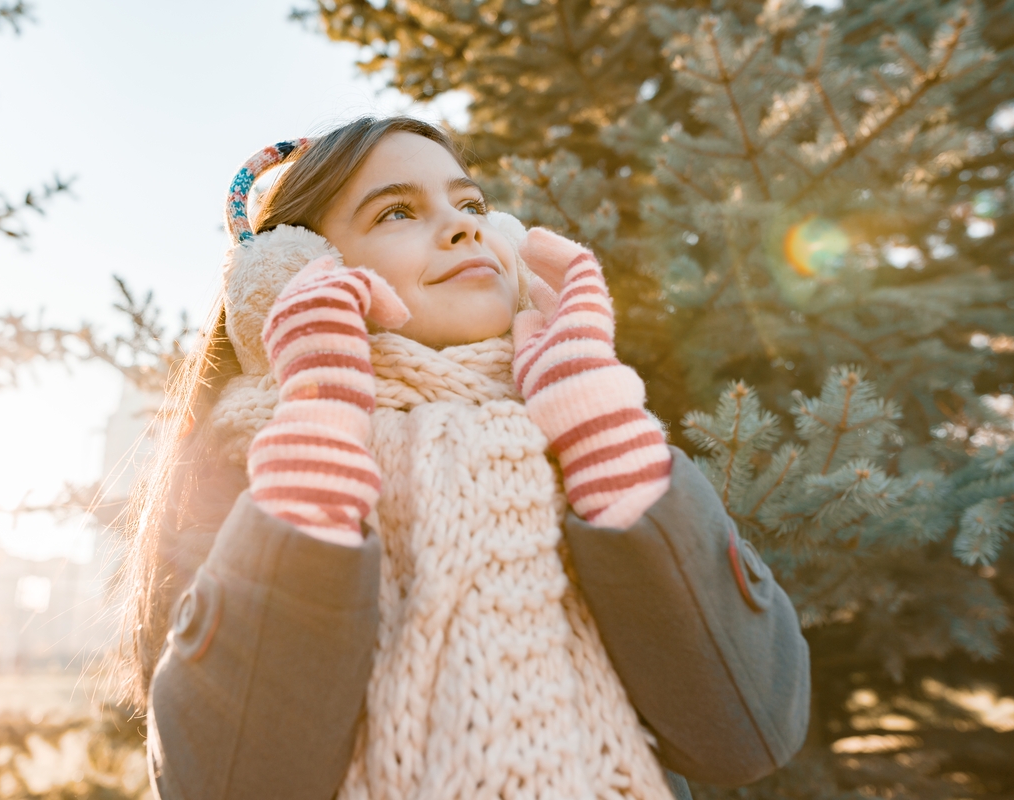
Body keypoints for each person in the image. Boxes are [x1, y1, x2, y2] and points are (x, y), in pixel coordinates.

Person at [119, 116, 810, 800]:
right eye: (397, 212)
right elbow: (232, 781)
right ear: (296, 275)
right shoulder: (240, 485)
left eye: (473, 204)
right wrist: (322, 428)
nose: (465, 227)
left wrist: (600, 423)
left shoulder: (597, 445)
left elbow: (752, 732)